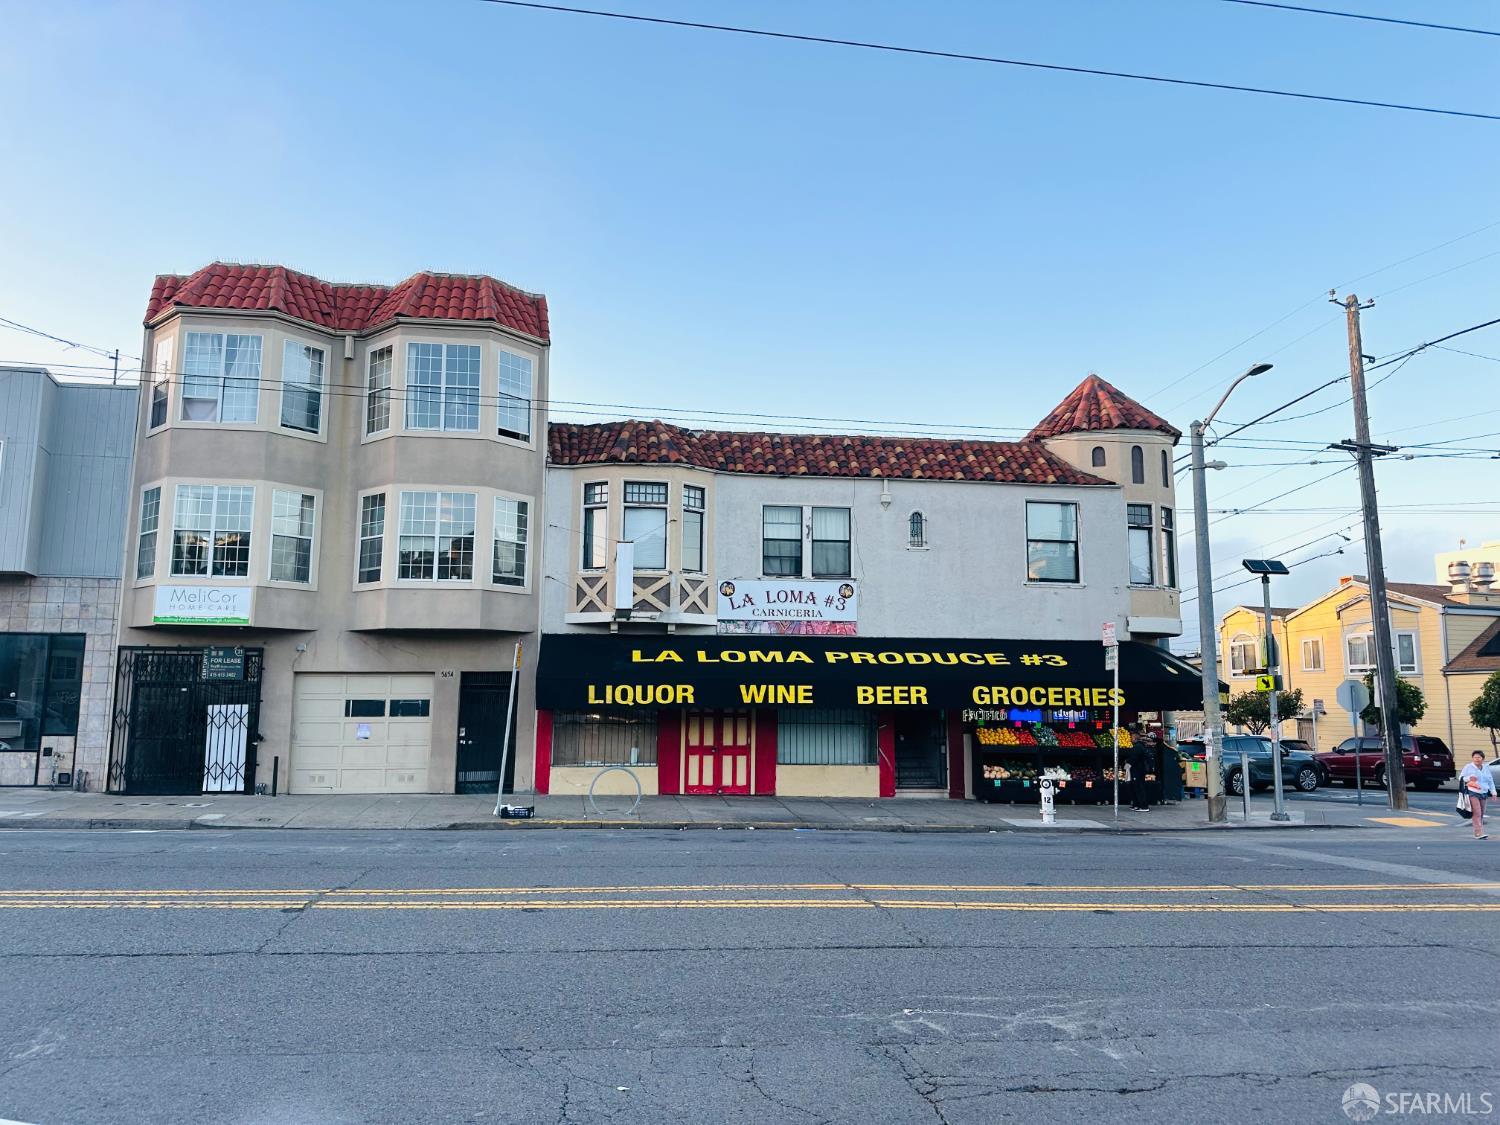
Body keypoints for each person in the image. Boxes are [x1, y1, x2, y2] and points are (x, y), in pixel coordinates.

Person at [1459, 750, 1496, 841]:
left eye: (1479, 757)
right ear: (1472, 758)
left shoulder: (1486, 768)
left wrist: (1493, 793)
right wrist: (1468, 778)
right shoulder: (1468, 767)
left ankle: (1480, 831)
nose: (1477, 759)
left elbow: (1490, 781)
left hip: (1484, 792)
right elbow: (1461, 778)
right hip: (1473, 792)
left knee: (1482, 813)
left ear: (1483, 759)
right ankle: (1478, 833)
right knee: (1477, 813)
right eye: (1475, 757)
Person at [1130, 732, 1158, 811]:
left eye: (1131, 738)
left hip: (1138, 770)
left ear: (1135, 738)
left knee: (1139, 787)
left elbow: (1134, 758)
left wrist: (1128, 763)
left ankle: (1143, 806)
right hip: (1140, 770)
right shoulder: (1141, 746)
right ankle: (1138, 805)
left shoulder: (1138, 747)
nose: (1130, 739)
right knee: (1138, 787)